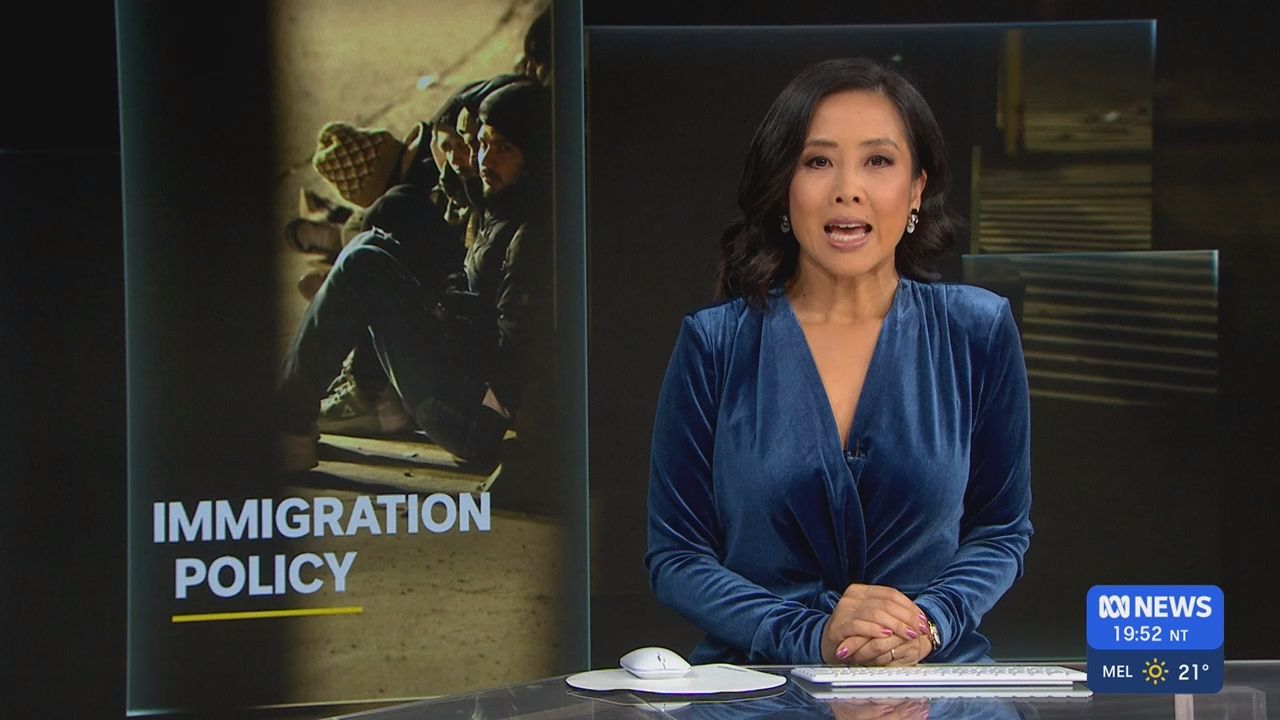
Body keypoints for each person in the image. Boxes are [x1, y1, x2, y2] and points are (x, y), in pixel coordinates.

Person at [646, 58, 1032, 667]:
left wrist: (926, 624)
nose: (847, 189)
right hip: (763, 684)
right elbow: (677, 557)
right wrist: (812, 636)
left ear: (916, 189)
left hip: (932, 679)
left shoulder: (977, 331)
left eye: (877, 161)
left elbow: (1000, 531)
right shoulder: (714, 344)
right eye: (817, 162)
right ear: (783, 187)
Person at [276, 79, 552, 474]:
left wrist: (434, 318)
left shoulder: (532, 236)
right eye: (483, 143)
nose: (485, 159)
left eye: (504, 148)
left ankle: (289, 427)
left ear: (534, 155)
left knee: (363, 265)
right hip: (461, 382)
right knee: (371, 244)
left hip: (474, 420)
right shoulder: (500, 206)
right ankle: (293, 421)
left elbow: (515, 361)